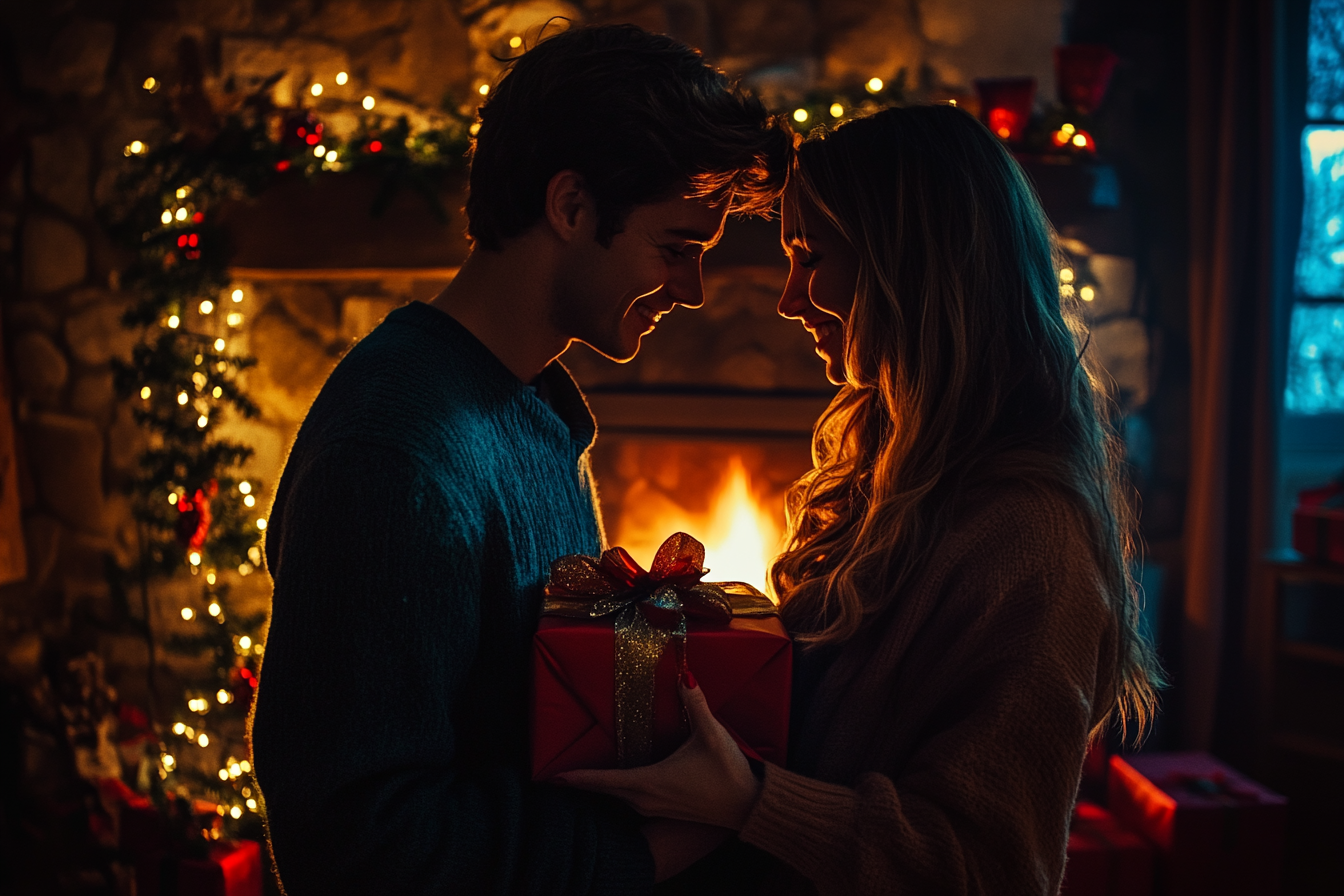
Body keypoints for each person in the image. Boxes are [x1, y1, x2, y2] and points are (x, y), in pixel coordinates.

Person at [561, 104, 1164, 895]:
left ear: (909, 268)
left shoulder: (1030, 541)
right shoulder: (889, 467)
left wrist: (750, 800)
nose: (787, 299)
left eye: (810, 258)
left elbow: (995, 869)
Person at [248, 24, 790, 894]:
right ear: (572, 207)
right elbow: (359, 846)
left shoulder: (530, 403)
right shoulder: (397, 457)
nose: (692, 291)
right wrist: (675, 840)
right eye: (677, 248)